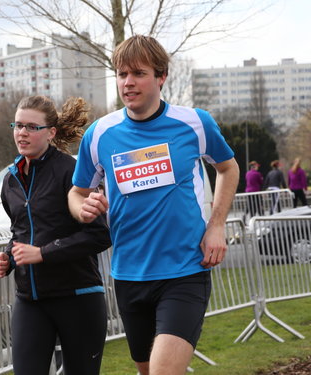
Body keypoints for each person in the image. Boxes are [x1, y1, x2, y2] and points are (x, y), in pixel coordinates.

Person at [67, 35, 239, 375]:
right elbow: (77, 193)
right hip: (129, 275)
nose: (128, 82)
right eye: (121, 74)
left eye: (138, 73)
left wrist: (216, 225)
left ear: (161, 77)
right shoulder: (100, 134)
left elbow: (228, 167)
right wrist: (82, 208)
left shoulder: (194, 123)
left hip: (185, 271)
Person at [0, 95, 111, 375]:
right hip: (29, 301)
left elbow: (101, 236)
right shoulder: (11, 179)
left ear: (51, 133)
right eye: (18, 125)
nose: (22, 133)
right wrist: (8, 258)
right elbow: (21, 233)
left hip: (77, 297)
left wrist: (43, 254)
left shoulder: (72, 172)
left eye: (32, 127)